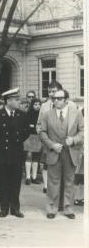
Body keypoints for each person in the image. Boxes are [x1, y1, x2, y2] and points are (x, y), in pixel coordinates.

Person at [39, 89, 84, 220]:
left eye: (59, 98)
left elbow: (82, 131)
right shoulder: (47, 114)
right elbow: (42, 133)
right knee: (53, 181)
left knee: (69, 181)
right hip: (54, 151)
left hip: (70, 152)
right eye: (54, 98)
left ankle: (68, 208)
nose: (56, 101)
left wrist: (74, 140)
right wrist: (52, 145)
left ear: (66, 99)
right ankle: (51, 208)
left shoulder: (76, 114)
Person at [0, 88, 29, 218]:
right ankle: (4, 208)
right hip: (2, 154)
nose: (18, 102)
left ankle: (15, 208)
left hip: (16, 153)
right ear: (8, 101)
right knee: (3, 182)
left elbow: (26, 132)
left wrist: (17, 141)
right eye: (16, 100)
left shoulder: (21, 115)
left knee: (16, 182)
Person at [36, 81, 77, 206]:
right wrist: (47, 142)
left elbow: (77, 128)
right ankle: (54, 205)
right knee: (53, 178)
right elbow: (39, 126)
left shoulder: (72, 106)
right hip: (51, 147)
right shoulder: (44, 107)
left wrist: (73, 141)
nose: (51, 95)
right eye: (49, 92)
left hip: (68, 148)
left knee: (68, 178)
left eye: (54, 91)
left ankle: (65, 204)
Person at [24, 98, 42, 185]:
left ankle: (34, 177)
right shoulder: (28, 114)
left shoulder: (41, 114)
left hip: (38, 137)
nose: (37, 106)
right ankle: (28, 177)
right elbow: (26, 126)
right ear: (32, 105)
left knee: (36, 157)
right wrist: (32, 127)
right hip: (29, 137)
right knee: (29, 156)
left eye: (39, 104)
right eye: (35, 104)